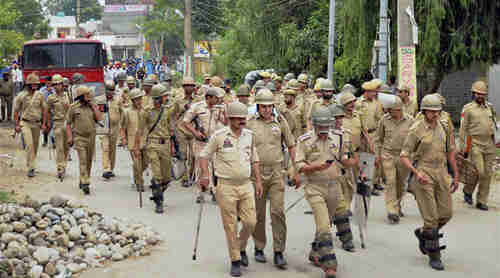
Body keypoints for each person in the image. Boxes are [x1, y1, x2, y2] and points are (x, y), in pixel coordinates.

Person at [199, 101, 263, 277]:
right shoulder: (219, 136)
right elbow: (204, 156)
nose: (242, 121)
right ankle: (235, 259)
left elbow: (254, 159)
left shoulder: (249, 136)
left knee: (251, 222)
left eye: (244, 118)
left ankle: (241, 247)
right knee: (230, 225)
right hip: (226, 186)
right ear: (230, 118)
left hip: (246, 184)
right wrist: (205, 175)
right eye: (238, 118)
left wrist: (258, 181)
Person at [296, 107, 357, 278]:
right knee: (324, 227)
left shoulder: (338, 138)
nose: (323, 132)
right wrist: (314, 167)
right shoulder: (304, 140)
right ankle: (330, 264)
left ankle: (315, 253)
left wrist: (351, 161)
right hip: (314, 187)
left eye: (326, 128)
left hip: (334, 187)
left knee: (326, 222)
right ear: (314, 125)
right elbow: (299, 165)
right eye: (320, 129)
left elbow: (344, 159)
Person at [400, 94, 458, 271]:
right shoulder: (416, 129)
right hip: (423, 173)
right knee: (431, 218)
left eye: (438, 111)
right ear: (424, 111)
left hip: (441, 171)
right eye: (432, 112)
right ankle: (434, 255)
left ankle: (424, 233)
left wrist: (456, 174)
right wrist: (416, 173)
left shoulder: (444, 126)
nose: (435, 114)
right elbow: (404, 156)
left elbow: (450, 152)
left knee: (446, 213)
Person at [245, 89, 295, 269]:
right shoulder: (249, 124)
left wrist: (294, 168)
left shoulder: (280, 121)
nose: (266, 110)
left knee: (278, 212)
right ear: (258, 106)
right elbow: (244, 148)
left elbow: (291, 145)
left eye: (269, 106)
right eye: (263, 106)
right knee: (257, 213)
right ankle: (259, 247)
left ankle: (279, 251)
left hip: (276, 172)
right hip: (256, 173)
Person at [183, 87, 227, 203]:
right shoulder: (197, 107)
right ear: (208, 98)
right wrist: (195, 132)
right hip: (200, 142)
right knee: (200, 167)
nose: (218, 100)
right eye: (215, 98)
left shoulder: (218, 108)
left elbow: (225, 123)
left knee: (214, 167)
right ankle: (200, 192)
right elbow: (186, 121)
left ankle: (213, 190)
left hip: (213, 141)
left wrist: (224, 111)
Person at [459, 81, 498, 211]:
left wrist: (497, 139)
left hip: (489, 144)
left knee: (487, 174)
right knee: (479, 171)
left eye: (483, 94)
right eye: (478, 93)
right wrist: (463, 147)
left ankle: (481, 201)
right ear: (473, 93)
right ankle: (468, 190)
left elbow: (495, 125)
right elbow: (463, 129)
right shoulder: (468, 108)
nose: (480, 96)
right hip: (475, 144)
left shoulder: (490, 107)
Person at [374, 96, 414, 223]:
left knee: (401, 184)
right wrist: (377, 155)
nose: (389, 112)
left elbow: (415, 140)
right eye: (389, 110)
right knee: (390, 182)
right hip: (388, 154)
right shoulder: (384, 120)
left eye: (391, 110)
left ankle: (397, 204)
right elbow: (378, 139)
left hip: (404, 156)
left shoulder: (410, 121)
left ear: (399, 109)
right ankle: (392, 210)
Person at [141, 84, 174, 213]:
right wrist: (140, 146)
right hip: (152, 144)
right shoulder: (147, 112)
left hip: (165, 144)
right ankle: (159, 202)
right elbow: (141, 129)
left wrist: (172, 146)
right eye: (163, 96)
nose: (166, 98)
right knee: (157, 175)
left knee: (167, 178)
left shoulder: (167, 110)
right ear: (157, 98)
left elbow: (171, 127)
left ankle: (157, 192)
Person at [66, 86, 102, 194]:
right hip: (79, 137)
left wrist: (93, 107)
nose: (89, 97)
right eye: (86, 95)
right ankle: (86, 181)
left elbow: (99, 119)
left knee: (89, 160)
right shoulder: (73, 107)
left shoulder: (93, 106)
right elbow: (68, 123)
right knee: (83, 159)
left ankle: (83, 179)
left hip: (91, 136)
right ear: (81, 96)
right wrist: (69, 137)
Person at [13, 73, 48, 177]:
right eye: (32, 84)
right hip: (25, 123)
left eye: (36, 84)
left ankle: (31, 162)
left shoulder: (40, 95)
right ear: (28, 84)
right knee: (29, 145)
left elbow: (44, 109)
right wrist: (17, 125)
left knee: (35, 146)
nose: (35, 86)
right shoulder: (21, 95)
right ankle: (31, 167)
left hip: (37, 124)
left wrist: (44, 123)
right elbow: (16, 111)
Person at [355, 79, 385, 195]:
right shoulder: (358, 103)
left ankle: (372, 185)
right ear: (366, 92)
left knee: (374, 160)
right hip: (362, 135)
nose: (375, 93)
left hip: (374, 134)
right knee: (364, 161)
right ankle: (364, 186)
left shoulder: (376, 103)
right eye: (373, 91)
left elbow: (379, 118)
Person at [337, 90, 362, 207]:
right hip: (342, 155)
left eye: (353, 102)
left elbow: (365, 133)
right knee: (344, 182)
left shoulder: (358, 116)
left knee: (355, 183)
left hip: (357, 153)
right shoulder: (338, 119)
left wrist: (372, 149)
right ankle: (343, 207)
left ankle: (347, 204)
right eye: (349, 103)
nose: (352, 104)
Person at [171, 77, 196, 187]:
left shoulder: (198, 100)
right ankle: (185, 178)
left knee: (194, 155)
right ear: (183, 87)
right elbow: (172, 115)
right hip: (181, 130)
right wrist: (173, 130)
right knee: (183, 155)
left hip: (194, 130)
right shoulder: (178, 100)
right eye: (186, 85)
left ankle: (191, 175)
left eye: (191, 85)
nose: (189, 88)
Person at [95, 80, 123, 179]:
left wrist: (122, 129)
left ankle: (111, 168)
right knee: (105, 148)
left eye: (112, 90)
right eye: (108, 90)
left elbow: (122, 113)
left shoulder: (118, 100)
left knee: (112, 149)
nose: (110, 92)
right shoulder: (99, 100)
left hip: (114, 128)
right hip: (103, 127)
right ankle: (106, 168)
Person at [121, 88, 147, 192]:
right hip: (132, 142)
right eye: (136, 99)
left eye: (140, 98)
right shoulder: (127, 112)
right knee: (137, 163)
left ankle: (137, 173)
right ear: (132, 100)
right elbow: (122, 127)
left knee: (145, 163)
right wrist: (123, 138)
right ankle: (139, 182)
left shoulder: (145, 111)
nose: (139, 101)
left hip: (145, 141)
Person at [46, 74, 71, 180]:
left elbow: (72, 109)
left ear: (62, 84)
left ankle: (64, 165)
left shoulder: (68, 96)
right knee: (59, 147)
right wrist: (47, 123)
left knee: (66, 147)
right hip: (57, 123)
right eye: (54, 84)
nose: (56, 86)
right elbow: (47, 111)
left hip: (67, 124)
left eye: (58, 84)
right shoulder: (51, 98)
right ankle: (60, 168)